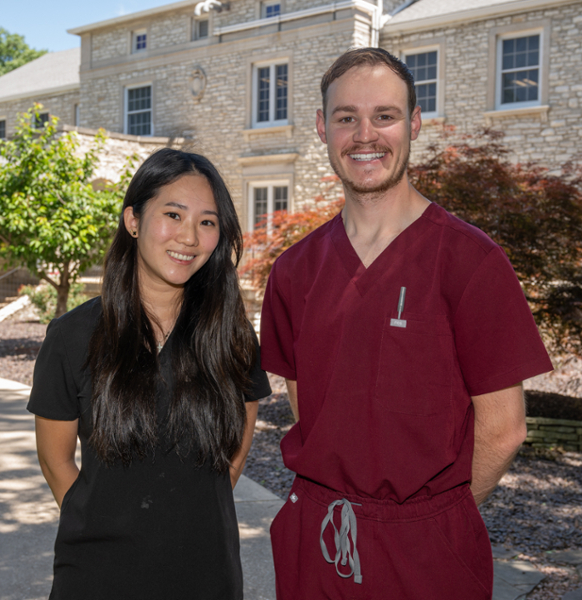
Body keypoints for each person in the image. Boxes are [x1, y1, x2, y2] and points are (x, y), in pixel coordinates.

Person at [260, 48, 553, 600]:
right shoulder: (295, 270)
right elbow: (309, 405)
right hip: (317, 537)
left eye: (385, 116)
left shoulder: (469, 260)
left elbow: (504, 428)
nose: (364, 135)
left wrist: (431, 518)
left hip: (428, 547)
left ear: (414, 123)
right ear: (323, 128)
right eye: (346, 117)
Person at [28, 148, 271, 600]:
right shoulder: (72, 336)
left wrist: (183, 521)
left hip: (206, 574)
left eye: (207, 221)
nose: (189, 237)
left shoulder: (232, 338)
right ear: (133, 220)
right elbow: (54, 460)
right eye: (173, 214)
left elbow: (233, 457)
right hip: (95, 576)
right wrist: (103, 520)